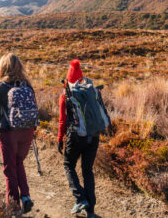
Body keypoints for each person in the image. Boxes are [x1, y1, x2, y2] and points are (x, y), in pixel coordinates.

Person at [57, 59, 110, 218]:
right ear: (81, 77)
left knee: (68, 164)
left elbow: (62, 120)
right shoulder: (91, 90)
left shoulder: (66, 94)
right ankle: (91, 210)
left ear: (68, 78)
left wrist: (60, 139)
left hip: (75, 136)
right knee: (87, 171)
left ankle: (80, 199)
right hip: (93, 136)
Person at [0, 53, 38, 213]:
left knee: (9, 169)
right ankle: (25, 197)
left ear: (2, 67)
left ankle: (13, 207)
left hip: (9, 132)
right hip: (28, 130)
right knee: (18, 162)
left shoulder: (0, 87)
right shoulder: (27, 85)